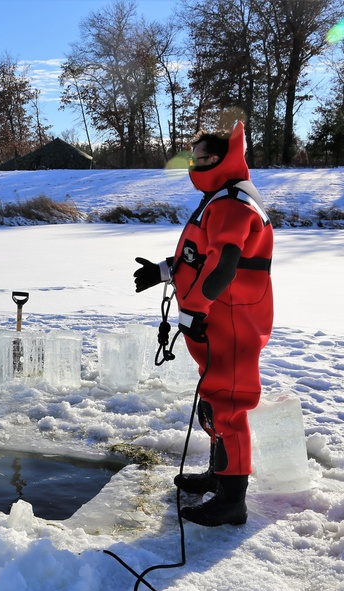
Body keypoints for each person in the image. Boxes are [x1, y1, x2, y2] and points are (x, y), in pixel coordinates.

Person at [133, 120, 273, 527]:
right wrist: (164, 270)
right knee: (214, 401)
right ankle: (220, 474)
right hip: (222, 317)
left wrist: (198, 310)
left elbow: (225, 266)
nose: (196, 164)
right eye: (193, 158)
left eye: (205, 158)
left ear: (225, 159)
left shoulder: (231, 201)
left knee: (227, 405)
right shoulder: (221, 196)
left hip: (231, 319)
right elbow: (201, 254)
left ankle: (233, 500)